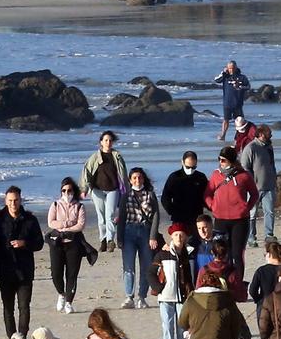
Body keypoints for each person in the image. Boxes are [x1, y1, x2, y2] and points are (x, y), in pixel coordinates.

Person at [0, 187, 44, 339]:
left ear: (20, 200)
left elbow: (39, 243)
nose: (13, 203)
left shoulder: (30, 219)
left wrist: (24, 243)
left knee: (24, 306)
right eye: (10, 200)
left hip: (25, 270)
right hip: (5, 269)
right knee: (8, 307)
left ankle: (23, 338)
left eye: (16, 200)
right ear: (5, 201)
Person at [150, 223, 196, 339]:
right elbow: (150, 272)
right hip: (166, 297)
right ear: (171, 236)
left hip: (183, 297)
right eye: (176, 234)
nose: (179, 237)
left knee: (182, 330)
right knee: (168, 329)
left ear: (186, 237)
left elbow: (191, 276)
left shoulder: (189, 254)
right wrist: (158, 288)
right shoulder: (162, 254)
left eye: (181, 235)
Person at [206, 147, 256, 277]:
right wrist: (213, 206)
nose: (221, 162)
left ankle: (237, 284)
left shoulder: (244, 175)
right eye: (219, 159)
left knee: (237, 254)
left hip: (240, 220)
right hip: (220, 220)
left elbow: (255, 194)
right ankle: (224, 282)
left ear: (232, 161)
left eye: (223, 160)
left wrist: (246, 208)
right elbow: (207, 193)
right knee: (221, 252)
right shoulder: (216, 175)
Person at [46, 177, 92, 314]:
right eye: (64, 190)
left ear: (74, 191)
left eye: (69, 190)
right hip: (57, 244)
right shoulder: (55, 205)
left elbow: (80, 224)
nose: (67, 193)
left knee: (72, 274)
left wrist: (68, 230)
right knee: (56, 273)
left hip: (74, 244)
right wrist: (65, 225)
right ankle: (61, 293)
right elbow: (51, 222)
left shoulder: (79, 206)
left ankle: (69, 302)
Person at [79, 130, 127, 251]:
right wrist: (84, 189)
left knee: (110, 215)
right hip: (97, 190)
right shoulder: (94, 157)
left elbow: (123, 174)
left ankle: (110, 240)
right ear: (101, 142)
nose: (108, 142)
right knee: (101, 217)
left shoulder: (117, 156)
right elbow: (86, 172)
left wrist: (126, 190)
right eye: (106, 140)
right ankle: (103, 240)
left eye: (110, 140)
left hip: (113, 189)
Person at [118, 166, 159, 309]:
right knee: (128, 266)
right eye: (134, 177)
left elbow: (155, 216)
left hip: (145, 232)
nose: (137, 180)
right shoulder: (126, 196)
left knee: (146, 266)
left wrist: (153, 236)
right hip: (129, 232)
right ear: (130, 180)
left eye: (139, 177)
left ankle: (142, 297)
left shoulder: (150, 195)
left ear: (143, 178)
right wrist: (119, 238)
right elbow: (121, 217)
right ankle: (129, 296)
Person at [161, 149, 208, 233]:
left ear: (196, 163)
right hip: (179, 218)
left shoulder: (201, 177)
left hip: (196, 218)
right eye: (187, 167)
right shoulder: (174, 177)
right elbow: (165, 197)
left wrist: (212, 208)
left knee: (196, 243)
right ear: (182, 162)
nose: (190, 170)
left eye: (193, 167)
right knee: (179, 243)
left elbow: (207, 196)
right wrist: (171, 212)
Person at [245, 125, 277, 243]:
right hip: (254, 188)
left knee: (269, 212)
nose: (271, 135)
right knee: (252, 214)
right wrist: (251, 183)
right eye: (269, 133)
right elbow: (245, 167)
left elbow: (272, 165)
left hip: (269, 186)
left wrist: (274, 180)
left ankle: (269, 234)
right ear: (261, 134)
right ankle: (251, 236)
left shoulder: (269, 147)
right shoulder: (250, 148)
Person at [214, 61, 251, 140]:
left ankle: (239, 136)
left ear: (236, 67)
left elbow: (248, 86)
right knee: (226, 120)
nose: (231, 70)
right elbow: (217, 80)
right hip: (227, 102)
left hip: (238, 103)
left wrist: (240, 87)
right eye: (230, 68)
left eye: (233, 68)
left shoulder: (242, 77)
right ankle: (223, 135)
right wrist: (223, 73)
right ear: (227, 68)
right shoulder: (225, 77)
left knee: (239, 121)